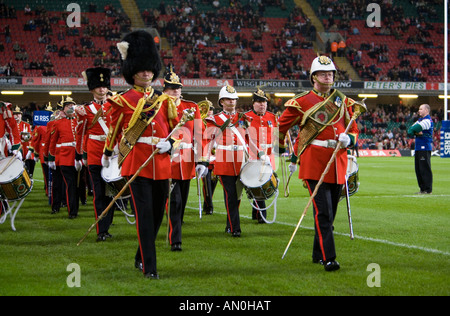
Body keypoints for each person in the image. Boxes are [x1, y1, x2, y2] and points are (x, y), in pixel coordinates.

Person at [101, 30, 177, 279]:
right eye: (142, 69)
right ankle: (150, 267)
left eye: (149, 69)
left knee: (156, 216)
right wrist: (108, 153)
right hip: (137, 162)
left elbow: (178, 129)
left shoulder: (164, 100)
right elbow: (113, 130)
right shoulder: (123, 100)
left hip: (161, 162)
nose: (147, 73)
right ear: (131, 71)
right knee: (144, 214)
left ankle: (140, 255)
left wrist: (172, 144)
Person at [276, 56, 359, 271]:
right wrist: (282, 149)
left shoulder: (343, 101)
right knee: (323, 211)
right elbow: (281, 127)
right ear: (313, 77)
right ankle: (329, 258)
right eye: (323, 74)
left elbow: (354, 130)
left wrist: (348, 139)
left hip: (337, 161)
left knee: (330, 214)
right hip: (314, 162)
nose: (328, 76)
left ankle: (317, 252)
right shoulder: (301, 102)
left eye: (331, 73)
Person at [205, 85, 268, 237]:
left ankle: (230, 224)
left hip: (241, 161)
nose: (232, 102)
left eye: (234, 99)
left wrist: (260, 153)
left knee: (238, 196)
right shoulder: (214, 120)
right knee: (230, 194)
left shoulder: (243, 118)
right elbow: (208, 140)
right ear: (221, 101)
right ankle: (235, 228)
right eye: (228, 99)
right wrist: (205, 159)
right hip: (224, 161)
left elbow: (249, 140)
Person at [164, 69, 206, 252]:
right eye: (171, 88)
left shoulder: (191, 107)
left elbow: (200, 135)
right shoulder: (158, 107)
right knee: (175, 201)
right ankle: (176, 240)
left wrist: (202, 160)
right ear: (164, 90)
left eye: (177, 88)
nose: (175, 92)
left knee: (182, 202)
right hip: (168, 160)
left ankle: (175, 228)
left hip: (187, 161)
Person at [76, 67, 114, 241]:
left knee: (111, 192)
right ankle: (101, 230)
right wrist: (80, 154)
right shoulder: (85, 110)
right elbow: (80, 133)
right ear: (92, 89)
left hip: (112, 153)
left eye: (104, 86)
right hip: (94, 154)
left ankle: (107, 225)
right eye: (98, 87)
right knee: (99, 193)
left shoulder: (114, 105)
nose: (102, 89)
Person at [245, 88, 278, 223]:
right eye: (259, 102)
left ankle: (256, 213)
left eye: (264, 102)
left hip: (269, 155)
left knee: (263, 183)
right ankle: (261, 216)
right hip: (253, 155)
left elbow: (276, 136)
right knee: (258, 184)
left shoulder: (272, 117)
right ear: (253, 103)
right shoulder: (246, 117)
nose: (262, 104)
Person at [48, 97, 79, 219]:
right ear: (63, 109)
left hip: (78, 156)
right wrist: (51, 158)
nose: (70, 108)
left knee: (78, 185)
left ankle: (75, 207)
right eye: (67, 106)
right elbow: (52, 141)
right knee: (70, 184)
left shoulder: (79, 121)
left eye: (72, 105)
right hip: (65, 157)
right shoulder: (57, 123)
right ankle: (72, 211)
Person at [407, 104, 433, 194]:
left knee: (424, 168)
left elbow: (414, 129)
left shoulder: (427, 121)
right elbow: (410, 130)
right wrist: (417, 132)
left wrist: (415, 131)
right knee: (418, 169)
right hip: (418, 148)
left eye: (421, 109)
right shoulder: (420, 120)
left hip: (424, 148)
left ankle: (428, 189)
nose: (419, 111)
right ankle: (422, 189)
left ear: (426, 110)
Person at [31, 102, 53, 196]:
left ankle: (51, 190)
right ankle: (48, 190)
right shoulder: (39, 127)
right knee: (46, 173)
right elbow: (36, 141)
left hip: (53, 151)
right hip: (44, 151)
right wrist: (35, 153)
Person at [13, 106, 35, 177]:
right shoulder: (11, 125)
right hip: (15, 148)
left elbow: (30, 137)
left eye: (18, 114)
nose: (17, 116)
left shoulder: (26, 125)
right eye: (15, 114)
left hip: (25, 148)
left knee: (29, 165)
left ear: (21, 115)